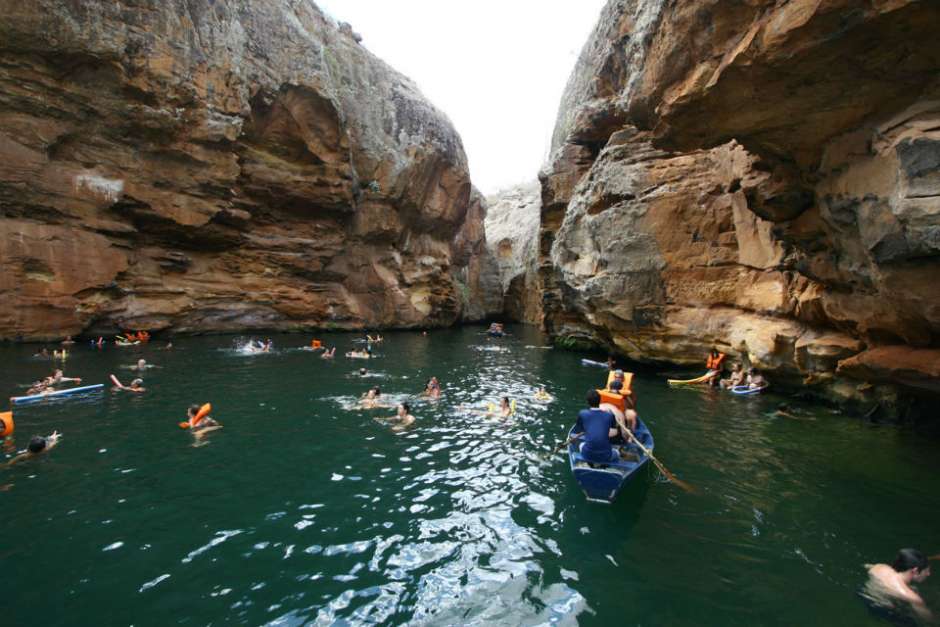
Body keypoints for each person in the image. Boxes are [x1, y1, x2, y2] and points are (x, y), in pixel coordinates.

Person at [863, 549, 932, 621]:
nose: (928, 574)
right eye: (926, 571)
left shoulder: (879, 567)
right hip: (882, 609)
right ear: (915, 571)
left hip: (864, 596)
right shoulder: (911, 597)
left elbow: (866, 566)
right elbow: (929, 619)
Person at [571, 390, 620, 464]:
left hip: (588, 455)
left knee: (581, 445)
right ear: (600, 401)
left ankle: (590, 464)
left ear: (588, 402)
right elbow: (615, 432)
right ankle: (607, 466)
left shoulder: (582, 413)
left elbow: (579, 428)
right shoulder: (609, 415)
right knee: (617, 452)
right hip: (606, 456)